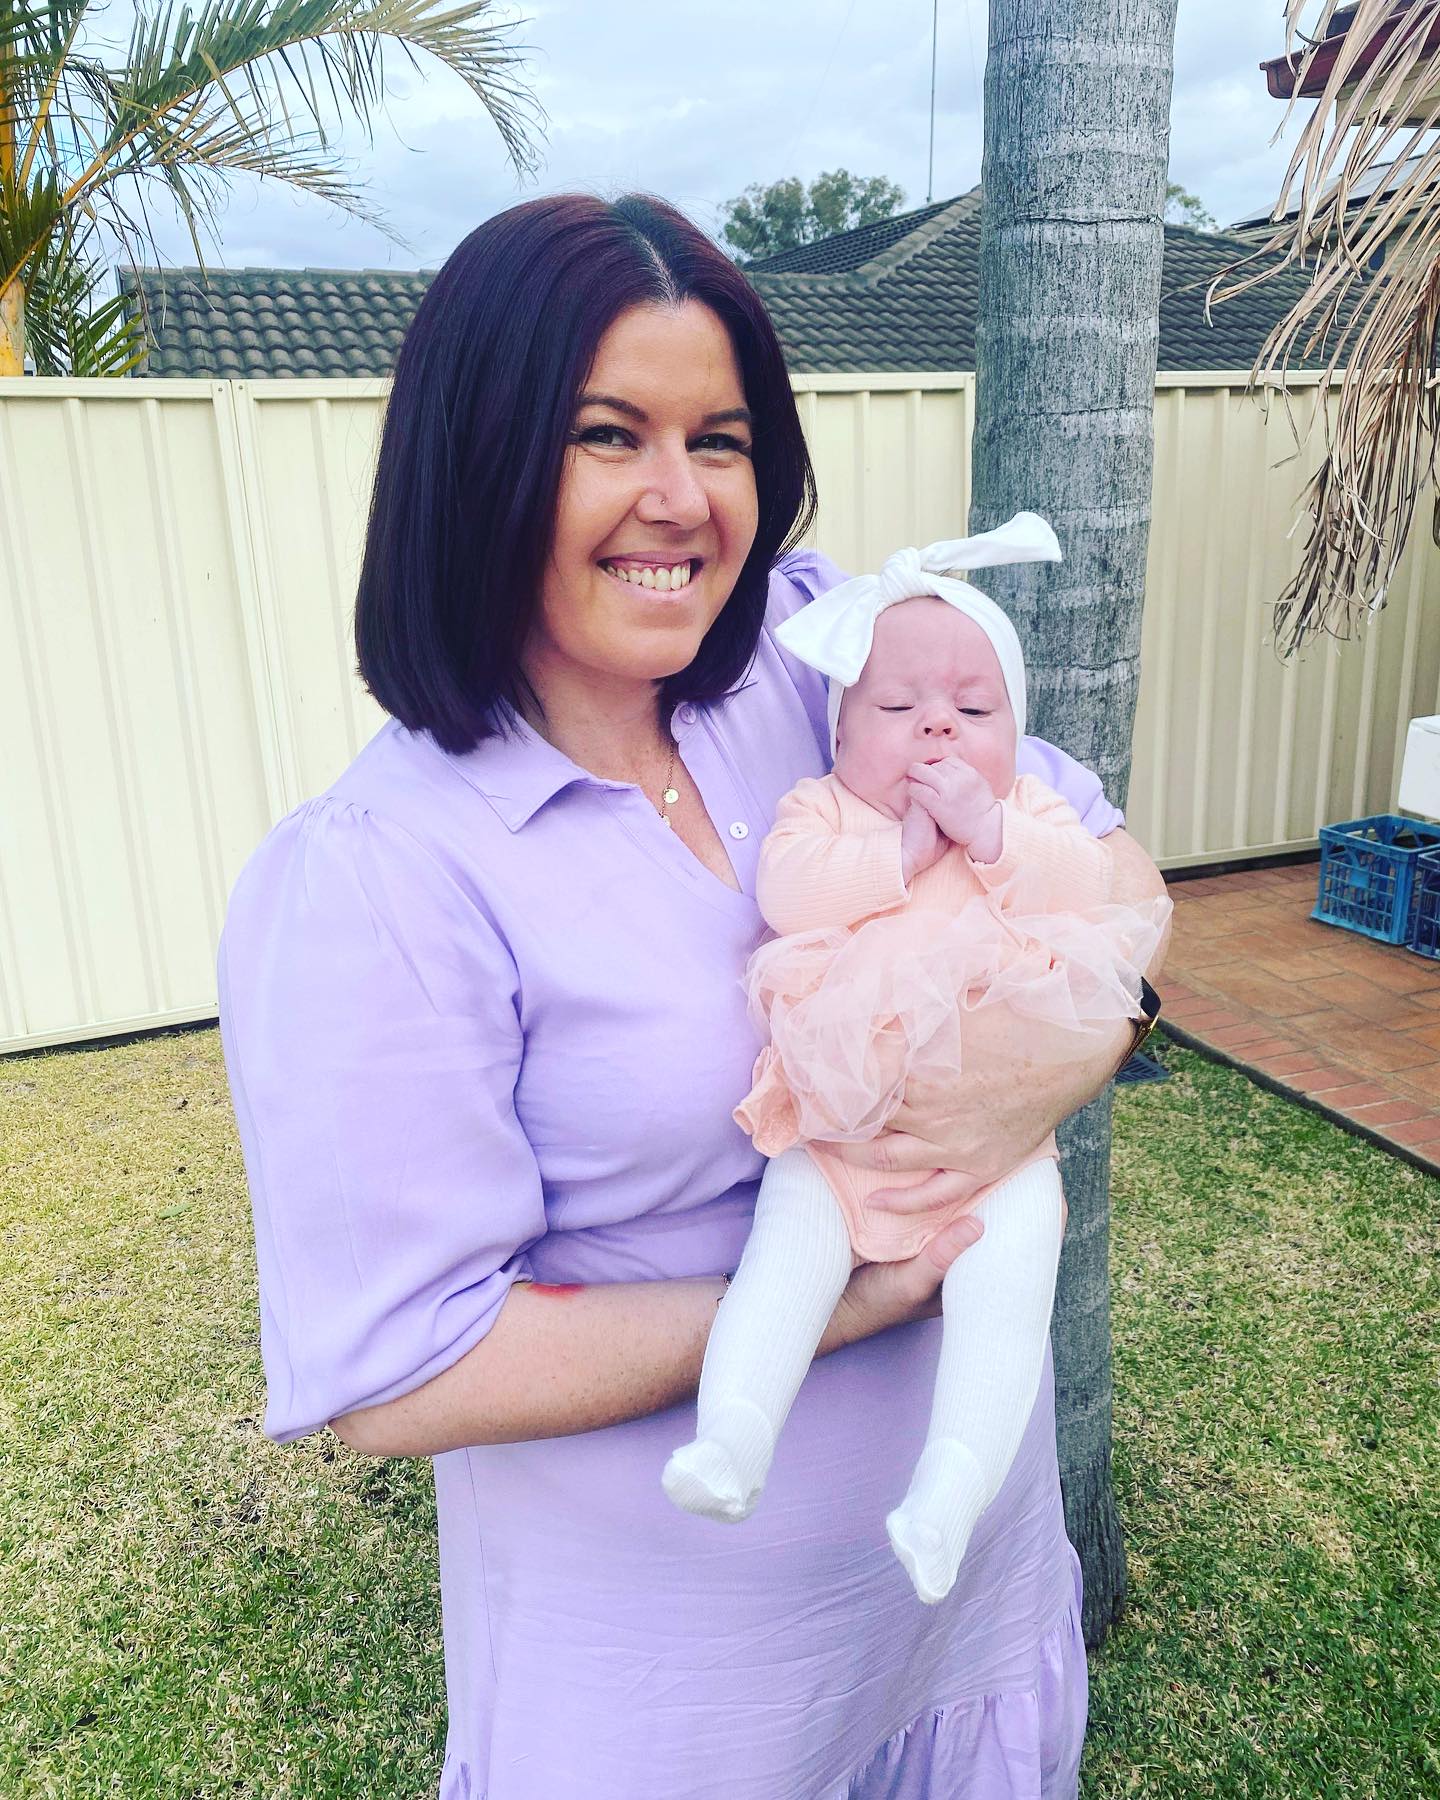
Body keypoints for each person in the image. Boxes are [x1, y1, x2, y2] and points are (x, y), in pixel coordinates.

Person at [218, 191, 1146, 1799]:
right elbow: (395, 1369)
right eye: (606, 434)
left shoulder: (811, 651)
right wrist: (841, 1298)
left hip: (959, 1615)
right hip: (683, 1698)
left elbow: (1096, 857)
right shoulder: (381, 874)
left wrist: (1076, 1051)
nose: (681, 498)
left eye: (719, 437)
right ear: (482, 457)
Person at [663, 520, 1169, 1610]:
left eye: (975, 711)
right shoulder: (822, 811)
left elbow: (1088, 890)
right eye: (898, 709)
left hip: (1005, 1154)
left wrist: (993, 835)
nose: (938, 724)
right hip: (840, 1134)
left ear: (1016, 737)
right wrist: (896, 856)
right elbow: (787, 892)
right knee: (785, 1259)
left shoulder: (1030, 813)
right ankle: (733, 1439)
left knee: (1009, 1294)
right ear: (843, 730)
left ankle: (948, 1494)